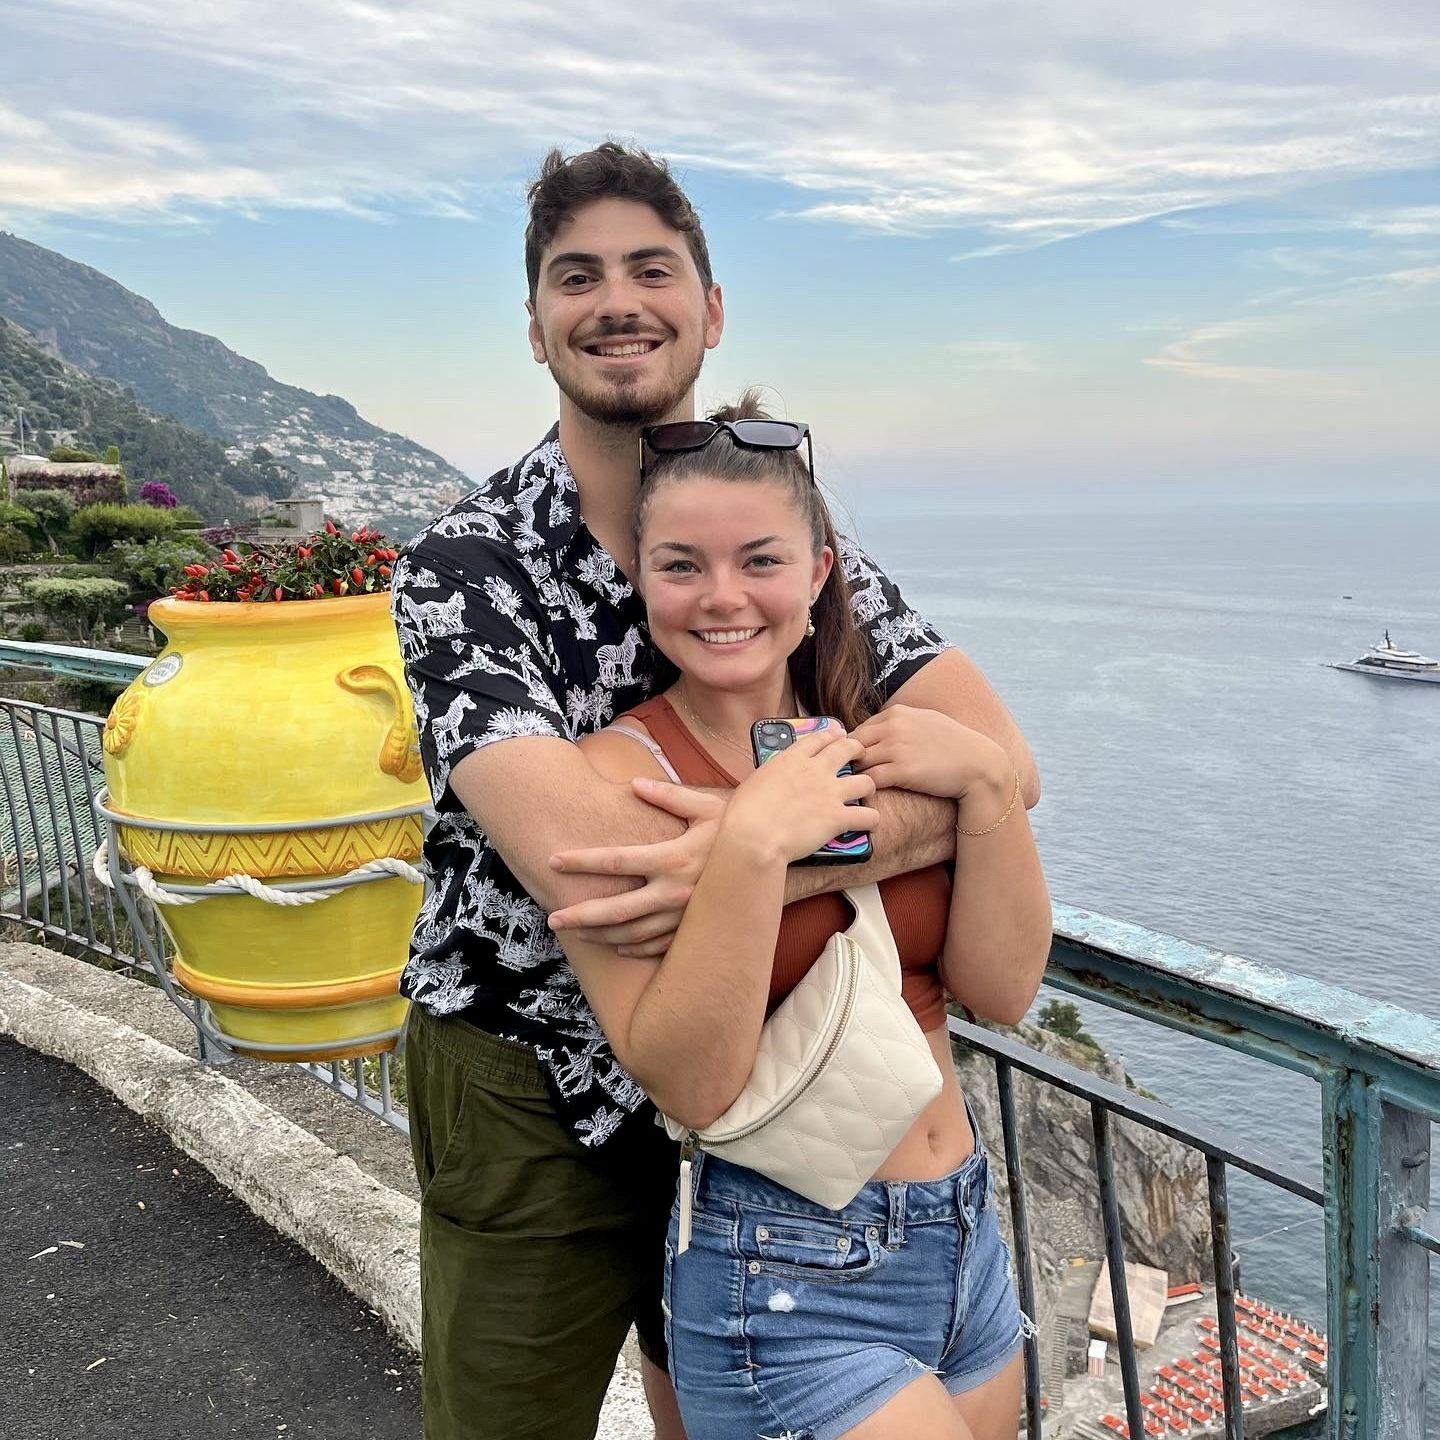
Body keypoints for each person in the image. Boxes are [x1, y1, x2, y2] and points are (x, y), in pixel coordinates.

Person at [392, 142, 1041, 1440]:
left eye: (652, 269)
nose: (617, 302)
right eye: (577, 276)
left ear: (712, 307)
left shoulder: (769, 526)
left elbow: (1001, 765)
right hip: (537, 1080)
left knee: (710, 1402)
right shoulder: (468, 565)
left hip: (774, 1082)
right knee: (511, 1418)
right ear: (535, 324)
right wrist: (783, 839)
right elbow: (596, 871)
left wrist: (761, 844)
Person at [558, 395, 1052, 1440]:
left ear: (822, 573)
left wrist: (987, 784)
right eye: (682, 565)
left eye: (761, 561)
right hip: (783, 1275)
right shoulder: (616, 780)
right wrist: (751, 842)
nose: (722, 596)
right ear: (640, 576)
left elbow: (1004, 990)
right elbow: (690, 1083)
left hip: (965, 1238)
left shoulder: (881, 738)